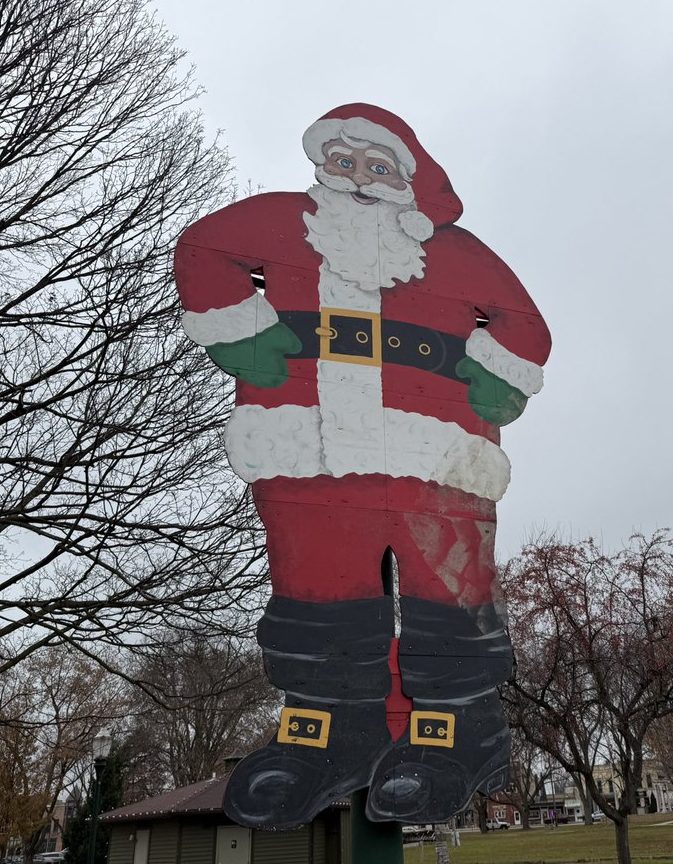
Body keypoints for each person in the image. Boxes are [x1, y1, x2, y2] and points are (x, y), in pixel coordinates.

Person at [174, 103, 551, 829]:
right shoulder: (282, 224)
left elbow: (524, 322)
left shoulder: (454, 252)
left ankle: (454, 732)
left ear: (408, 180)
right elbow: (203, 248)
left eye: (376, 167)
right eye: (342, 161)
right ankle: (326, 733)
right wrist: (241, 334)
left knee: (448, 586)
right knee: (315, 590)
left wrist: (493, 379)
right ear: (322, 164)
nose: (357, 178)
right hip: (304, 445)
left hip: (436, 452)